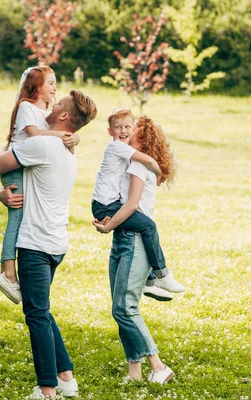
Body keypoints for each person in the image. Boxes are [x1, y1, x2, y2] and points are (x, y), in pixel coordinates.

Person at [0, 90, 97, 399]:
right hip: (56, 243)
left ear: (64, 116)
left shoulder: (43, 144)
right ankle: (66, 377)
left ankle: (47, 390)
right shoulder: (66, 148)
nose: (51, 103)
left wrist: (1, 189)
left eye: (58, 102)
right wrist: (4, 195)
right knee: (42, 309)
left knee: (36, 314)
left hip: (36, 244)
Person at [92, 116, 178, 383]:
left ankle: (158, 365)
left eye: (133, 131)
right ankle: (134, 372)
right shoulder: (129, 163)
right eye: (122, 129)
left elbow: (130, 207)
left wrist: (107, 227)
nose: (126, 133)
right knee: (122, 307)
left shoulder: (139, 166)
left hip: (133, 242)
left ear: (142, 139)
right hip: (123, 238)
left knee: (124, 308)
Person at [0, 66, 81, 305]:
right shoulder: (26, 107)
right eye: (50, 83)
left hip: (27, 165)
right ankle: (8, 272)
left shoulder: (45, 111)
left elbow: (61, 127)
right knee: (16, 216)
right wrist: (62, 138)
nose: (54, 87)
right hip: (15, 167)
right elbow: (33, 134)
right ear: (36, 86)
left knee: (20, 215)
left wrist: (75, 137)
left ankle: (10, 273)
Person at [91, 109, 185, 296]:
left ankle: (150, 281)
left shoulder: (128, 157)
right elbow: (148, 160)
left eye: (130, 128)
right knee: (148, 226)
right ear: (110, 131)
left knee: (145, 227)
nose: (126, 131)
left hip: (108, 204)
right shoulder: (119, 148)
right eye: (119, 127)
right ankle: (161, 273)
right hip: (106, 205)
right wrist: (159, 172)